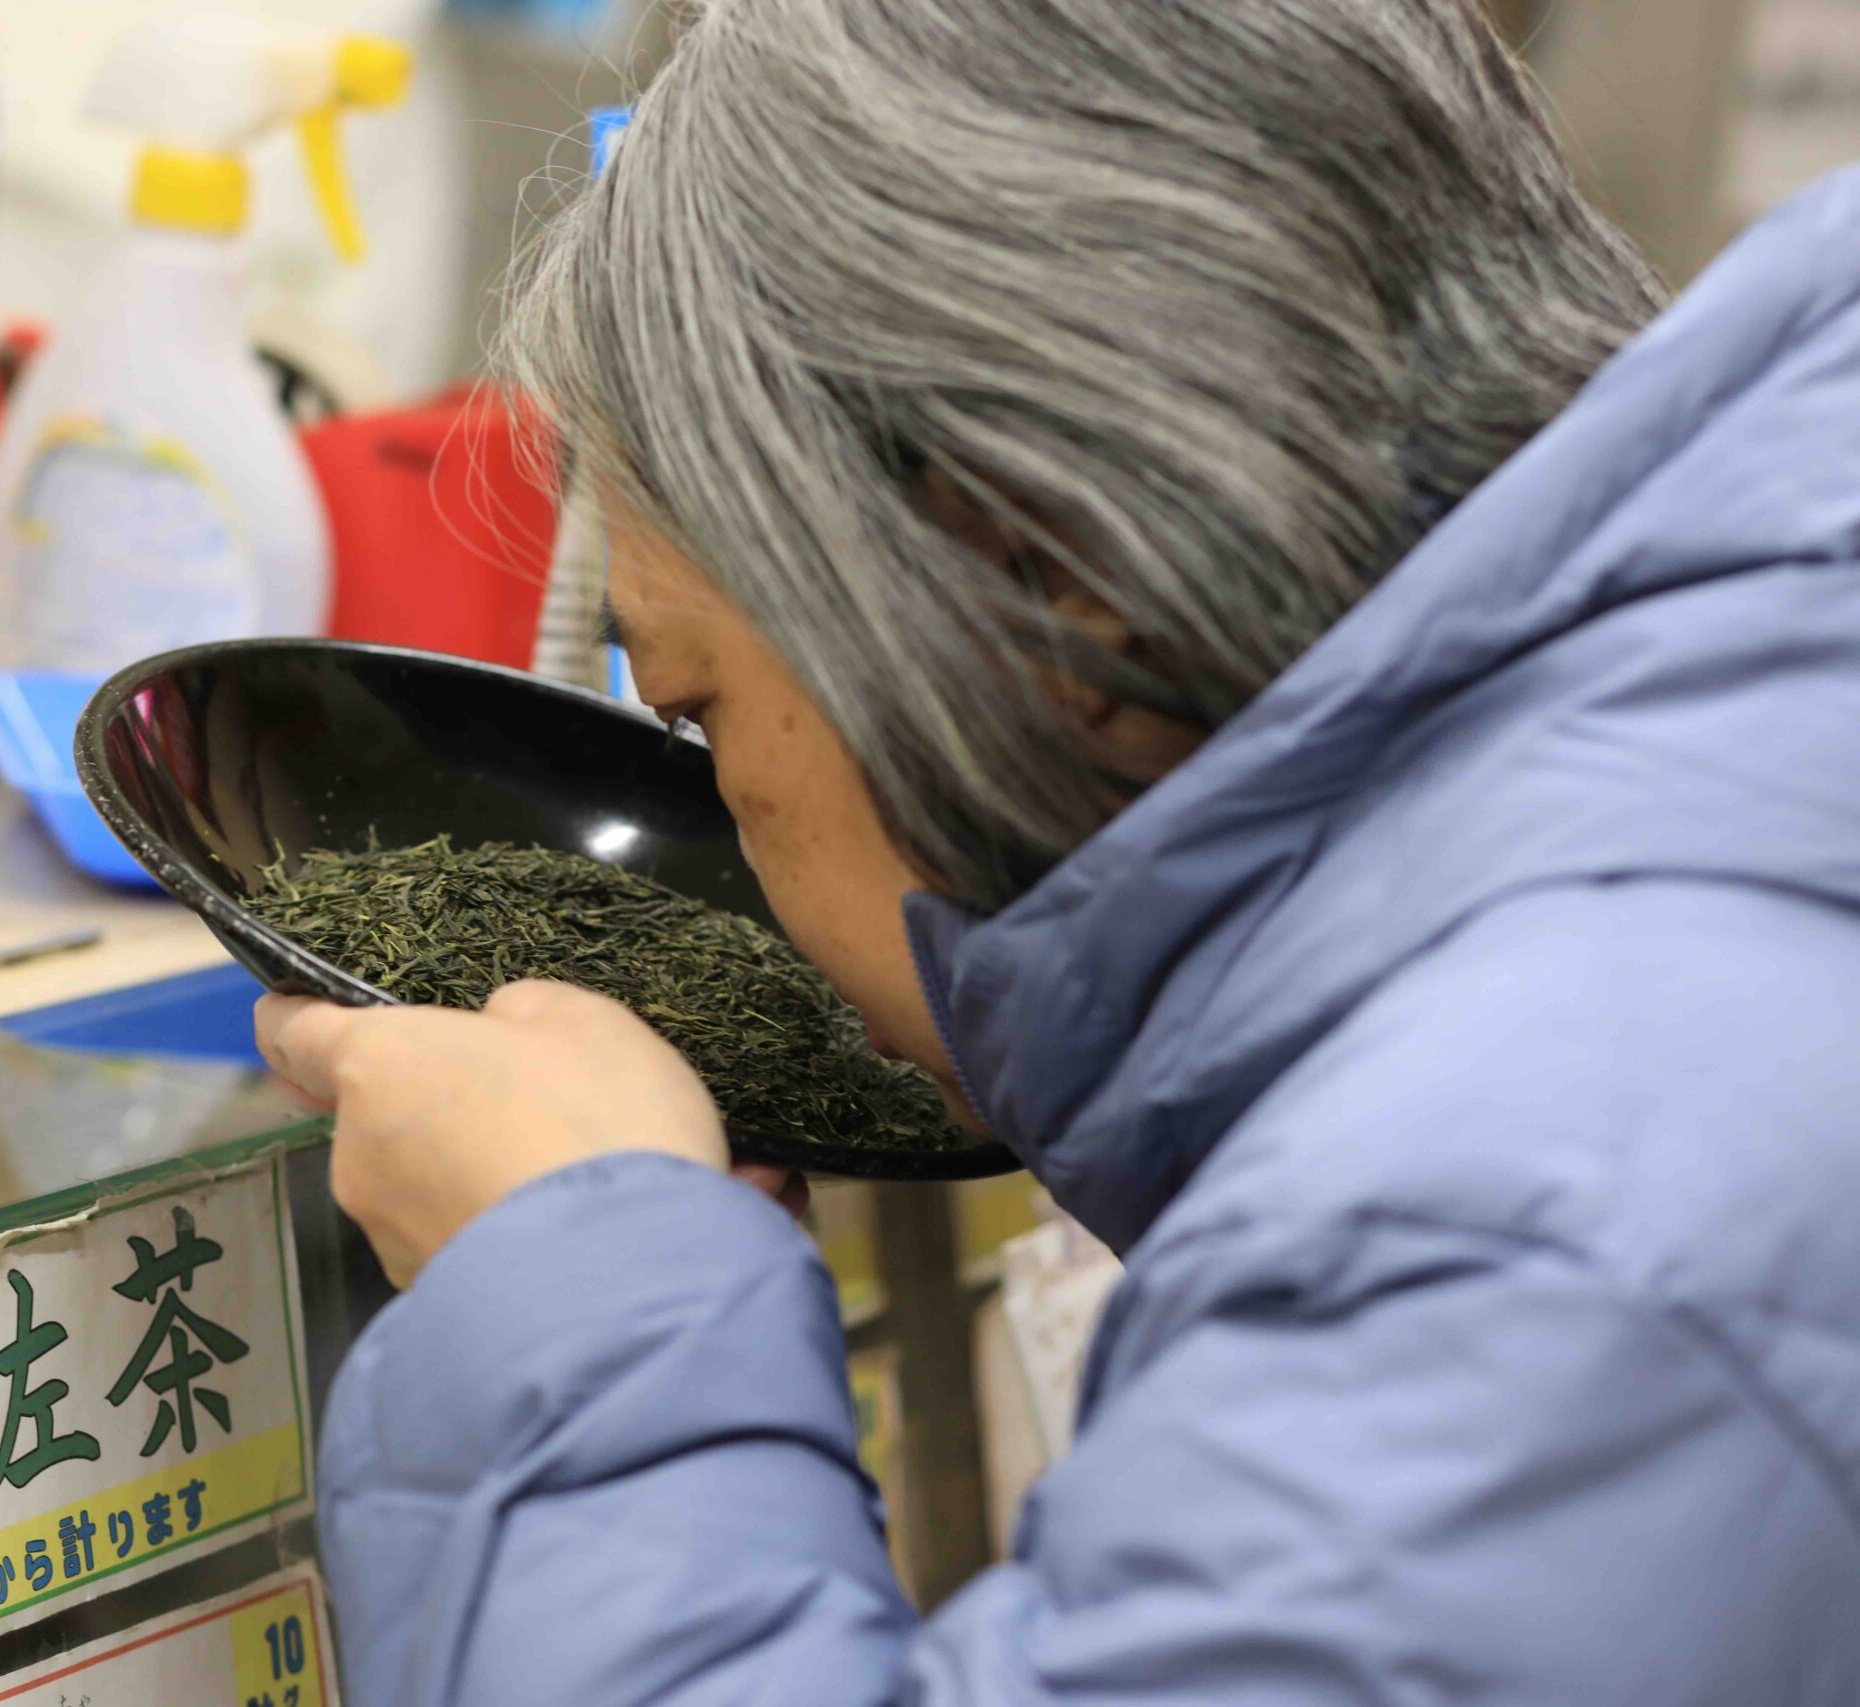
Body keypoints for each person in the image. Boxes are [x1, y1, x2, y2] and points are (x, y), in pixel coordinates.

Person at [254, 0, 1860, 1699]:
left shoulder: (1514, 1224)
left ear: (1040, 560)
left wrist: (575, 1307)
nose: (733, 823)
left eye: (704, 711)